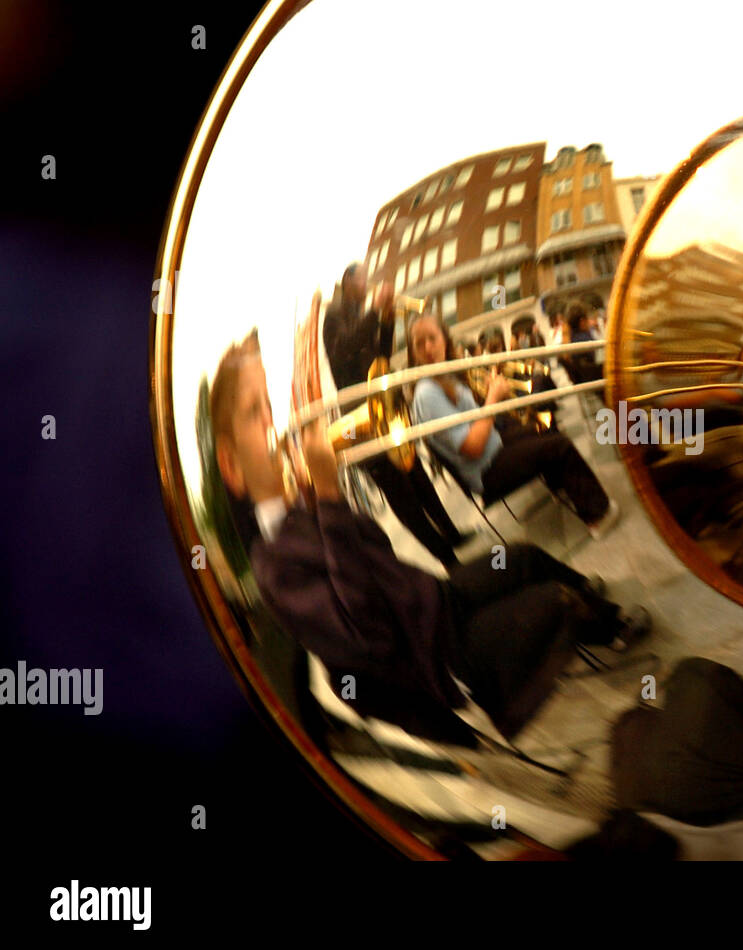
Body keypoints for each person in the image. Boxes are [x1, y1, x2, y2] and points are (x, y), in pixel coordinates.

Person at [208, 332, 648, 744]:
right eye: (254, 413)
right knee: (553, 598)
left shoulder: (298, 510)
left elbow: (379, 550)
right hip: (440, 656)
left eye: (270, 405)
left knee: (524, 558)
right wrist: (328, 499)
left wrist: (322, 499)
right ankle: (583, 614)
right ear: (231, 465)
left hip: (437, 601)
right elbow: (369, 631)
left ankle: (605, 620)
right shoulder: (272, 568)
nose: (275, 422)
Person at [407, 311, 619, 537]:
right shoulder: (427, 393)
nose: (428, 348)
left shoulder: (444, 375)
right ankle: (599, 516)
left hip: (492, 446)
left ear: (444, 338)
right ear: (412, 351)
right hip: (485, 470)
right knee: (560, 446)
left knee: (545, 427)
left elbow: (472, 419)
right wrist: (493, 398)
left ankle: (564, 486)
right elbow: (472, 447)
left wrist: (489, 392)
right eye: (420, 343)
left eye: (433, 338)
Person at [321, 262, 463, 565]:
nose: (368, 284)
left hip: (383, 408)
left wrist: (386, 322)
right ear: (348, 282)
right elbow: (343, 349)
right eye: (363, 280)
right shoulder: (334, 315)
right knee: (402, 496)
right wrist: (375, 310)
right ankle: (447, 558)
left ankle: (452, 533)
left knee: (416, 473)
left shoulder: (360, 315)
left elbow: (380, 358)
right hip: (362, 420)